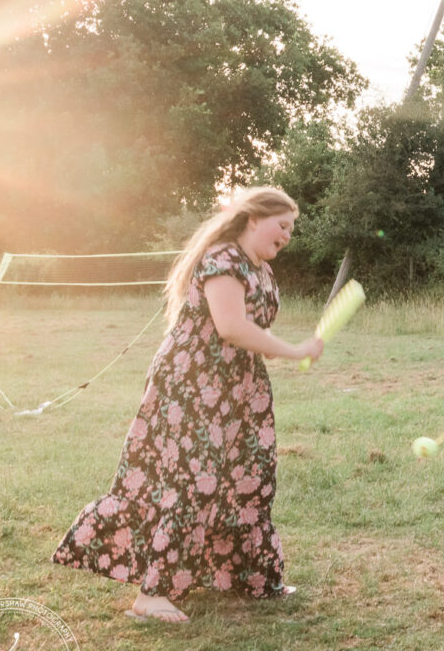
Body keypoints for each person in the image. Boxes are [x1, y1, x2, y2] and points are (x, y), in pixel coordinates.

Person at [52, 187, 323, 623]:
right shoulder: (223, 259)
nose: (288, 236)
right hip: (193, 384)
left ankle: (251, 579)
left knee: (248, 477)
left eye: (292, 228)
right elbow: (231, 327)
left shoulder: (261, 270)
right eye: (283, 225)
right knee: (195, 481)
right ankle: (151, 595)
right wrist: (293, 350)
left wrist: (280, 350)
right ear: (254, 218)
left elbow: (248, 333)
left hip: (238, 388)